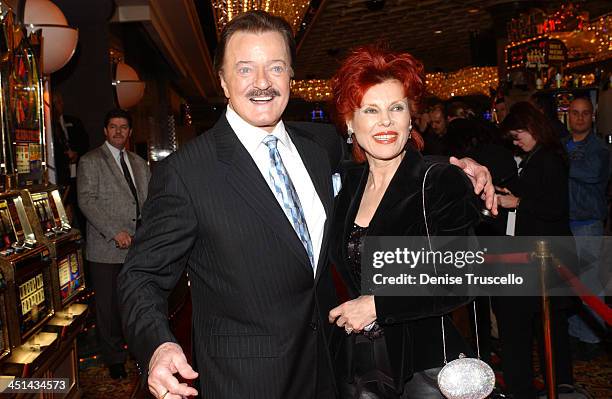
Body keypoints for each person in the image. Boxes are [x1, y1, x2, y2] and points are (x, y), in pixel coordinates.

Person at [117, 11, 495, 399]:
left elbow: (386, 168)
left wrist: (453, 166)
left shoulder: (319, 147)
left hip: (334, 367)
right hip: (248, 381)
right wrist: (159, 347)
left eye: (275, 68)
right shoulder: (186, 172)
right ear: (223, 81)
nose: (262, 83)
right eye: (245, 69)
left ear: (291, 78)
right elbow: (140, 276)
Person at [327, 45, 482, 399]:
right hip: (362, 366)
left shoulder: (439, 180)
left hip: (424, 367)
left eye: (396, 108)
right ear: (350, 122)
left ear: (410, 117)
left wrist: (377, 305)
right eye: (371, 110)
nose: (385, 121)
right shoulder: (346, 185)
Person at [495, 101, 574, 398]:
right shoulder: (536, 156)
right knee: (547, 323)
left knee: (550, 324)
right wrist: (511, 193)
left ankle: (560, 384)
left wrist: (518, 203)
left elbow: (555, 207)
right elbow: (534, 194)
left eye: (518, 135)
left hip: (549, 252)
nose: (516, 142)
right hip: (538, 251)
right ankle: (558, 382)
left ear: (532, 128)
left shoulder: (549, 158)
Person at [77, 108, 150, 379]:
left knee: (135, 304)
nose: (118, 131)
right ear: (105, 131)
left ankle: (137, 351)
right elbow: (86, 201)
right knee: (108, 309)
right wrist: (114, 231)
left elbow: (147, 203)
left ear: (130, 132)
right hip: (106, 249)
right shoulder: (91, 160)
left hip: (138, 249)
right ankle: (114, 359)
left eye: (123, 127)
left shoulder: (139, 163)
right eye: (113, 126)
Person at [564, 97, 609, 355]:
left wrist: (559, 161)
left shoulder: (599, 149)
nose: (579, 118)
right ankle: (574, 333)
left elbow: (590, 173)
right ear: (568, 115)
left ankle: (592, 340)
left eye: (584, 113)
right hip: (564, 222)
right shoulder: (561, 145)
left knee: (591, 283)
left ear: (592, 116)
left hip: (588, 223)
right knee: (570, 283)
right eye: (575, 113)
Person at [52, 93, 89, 230]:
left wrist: (76, 153)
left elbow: (85, 141)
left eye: (59, 102)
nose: (57, 106)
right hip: (61, 175)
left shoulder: (73, 121)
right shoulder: (49, 126)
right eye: (54, 103)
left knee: (80, 206)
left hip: (78, 172)